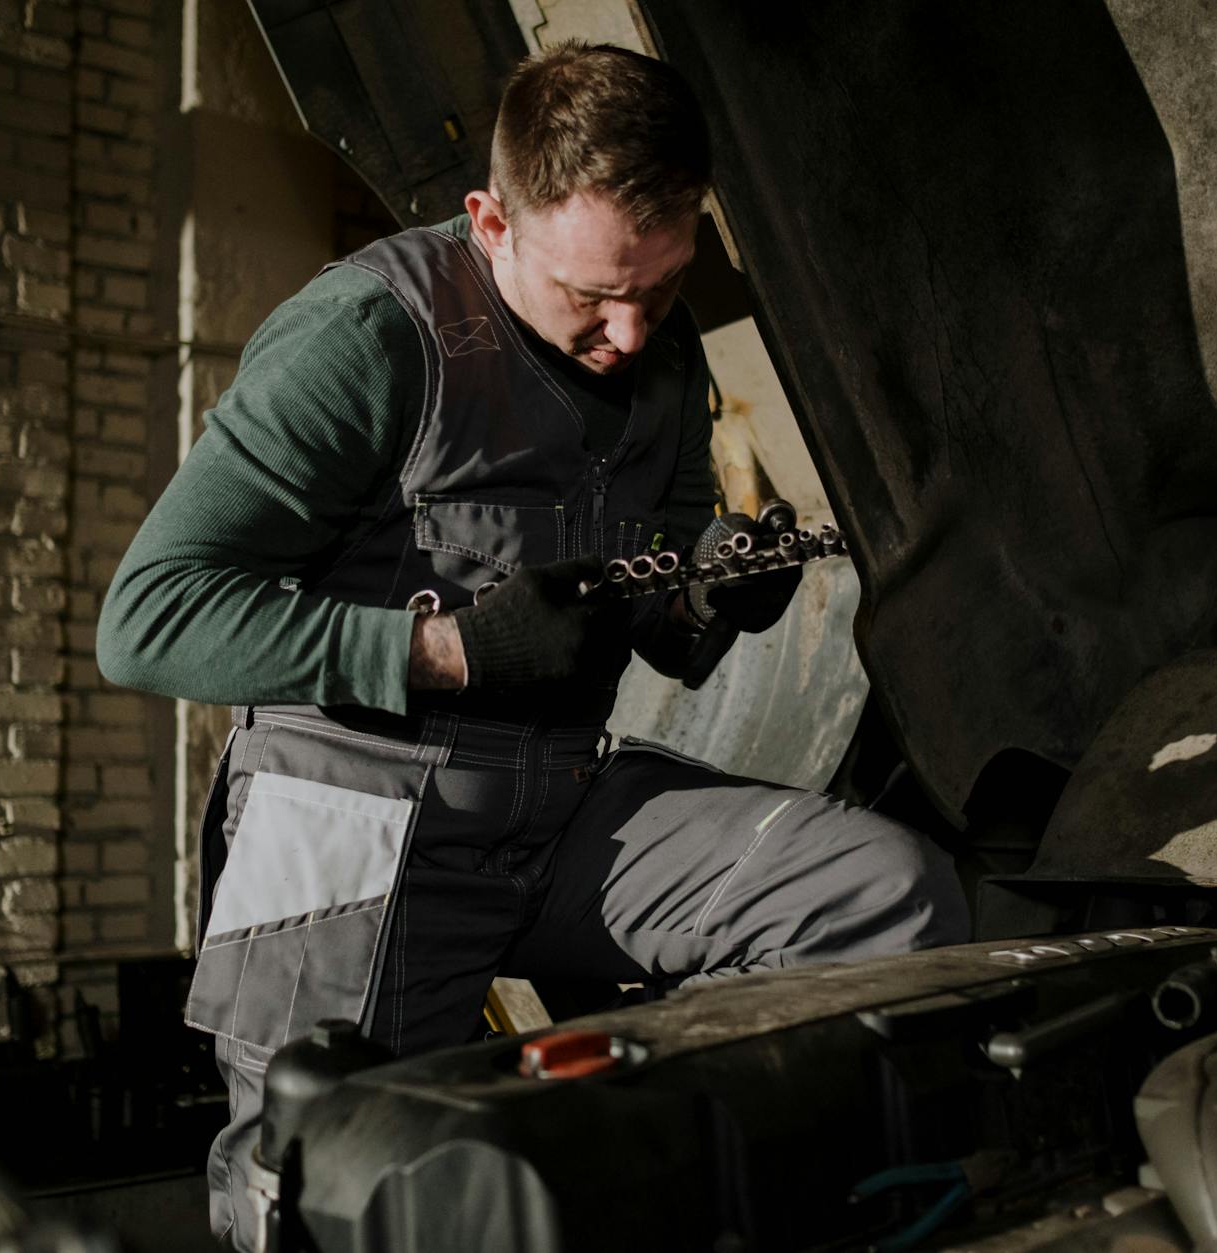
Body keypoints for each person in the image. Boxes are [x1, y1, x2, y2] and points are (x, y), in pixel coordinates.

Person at [96, 41, 966, 1250]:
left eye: (656, 290)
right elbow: (147, 620)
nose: (625, 332)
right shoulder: (363, 336)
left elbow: (649, 615)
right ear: (489, 219)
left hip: (552, 802)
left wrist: (703, 597)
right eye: (590, 296)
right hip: (355, 820)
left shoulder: (657, 351)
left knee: (880, 894)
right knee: (338, 1190)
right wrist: (449, 651)